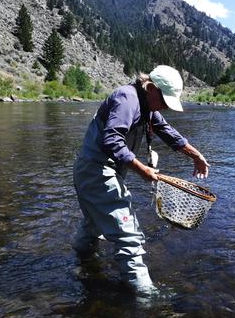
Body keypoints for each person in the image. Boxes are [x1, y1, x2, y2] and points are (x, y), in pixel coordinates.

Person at [73, 65, 210, 292]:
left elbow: (168, 132)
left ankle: (81, 263)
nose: (166, 107)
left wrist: (196, 155)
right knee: (129, 236)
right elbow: (113, 140)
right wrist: (141, 169)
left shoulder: (147, 106)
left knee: (92, 223)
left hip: (94, 172)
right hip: (96, 172)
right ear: (151, 88)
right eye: (165, 100)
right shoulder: (127, 98)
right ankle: (147, 298)